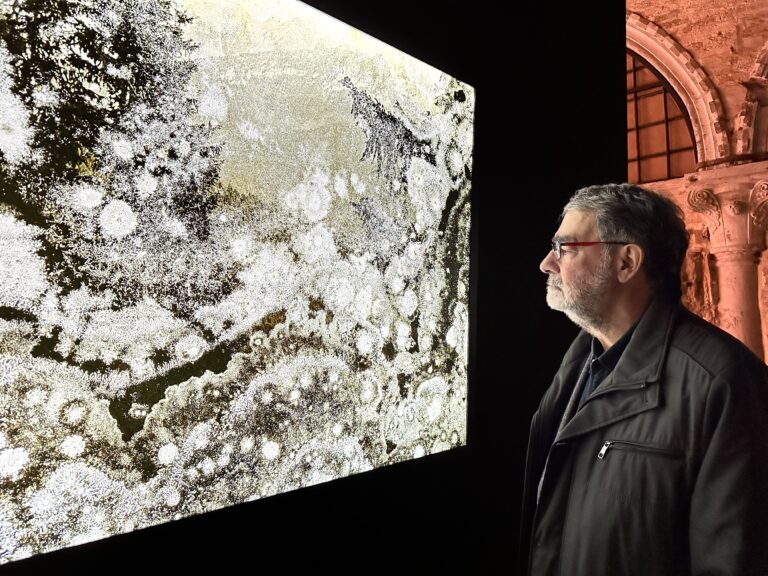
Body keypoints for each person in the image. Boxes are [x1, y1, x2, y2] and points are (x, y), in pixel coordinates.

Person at [519, 183, 768, 576]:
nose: (547, 263)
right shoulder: (577, 365)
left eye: (565, 248)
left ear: (626, 263)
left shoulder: (723, 383)